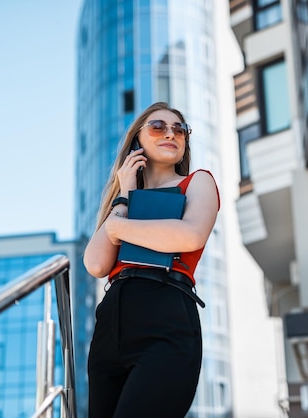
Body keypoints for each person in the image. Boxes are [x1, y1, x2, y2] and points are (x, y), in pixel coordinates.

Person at [83, 101, 220, 418]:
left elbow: (190, 235)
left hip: (166, 315)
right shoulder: (124, 202)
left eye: (179, 129)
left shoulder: (196, 182)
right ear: (137, 141)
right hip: (111, 325)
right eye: (158, 127)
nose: (171, 133)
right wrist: (125, 194)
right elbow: (96, 264)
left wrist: (119, 228)